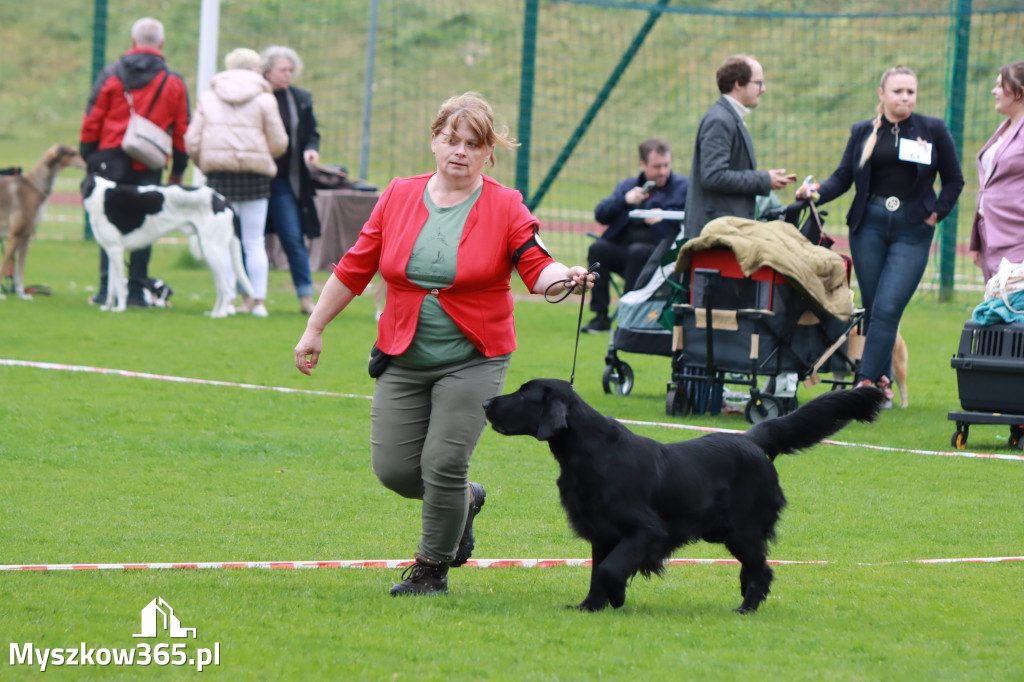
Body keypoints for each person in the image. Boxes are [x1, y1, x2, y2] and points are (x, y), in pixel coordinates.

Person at [293, 93, 593, 597]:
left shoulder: (506, 204)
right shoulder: (397, 195)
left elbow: (537, 265)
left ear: (488, 153)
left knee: (442, 464)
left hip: (474, 355)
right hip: (402, 352)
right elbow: (354, 267)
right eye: (450, 140)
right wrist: (314, 328)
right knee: (395, 471)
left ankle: (431, 570)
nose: (460, 152)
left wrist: (567, 277)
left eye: (473, 144)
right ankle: (465, 501)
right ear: (433, 141)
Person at [796, 65, 964, 405]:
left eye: (911, 92)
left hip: (913, 229)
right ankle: (883, 383)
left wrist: (936, 214)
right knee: (874, 308)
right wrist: (814, 192)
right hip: (868, 226)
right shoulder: (863, 131)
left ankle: (867, 382)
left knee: (888, 307)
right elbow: (843, 177)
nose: (905, 97)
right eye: (898, 91)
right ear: (882, 94)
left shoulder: (932, 129)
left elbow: (954, 179)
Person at [80, 17, 190, 307]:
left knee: (108, 225)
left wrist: (89, 154)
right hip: (149, 162)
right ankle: (137, 289)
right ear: (161, 43)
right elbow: (181, 130)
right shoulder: (174, 81)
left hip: (108, 162)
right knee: (146, 225)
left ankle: (107, 290)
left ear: (133, 41)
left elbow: (92, 119)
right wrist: (178, 169)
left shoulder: (111, 74)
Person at [185, 47, 289, 318]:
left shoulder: (208, 98)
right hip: (255, 176)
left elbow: (192, 140)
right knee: (254, 240)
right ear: (255, 68)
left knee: (223, 241)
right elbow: (279, 142)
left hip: (219, 177)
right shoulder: (265, 100)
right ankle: (258, 302)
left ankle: (228, 300)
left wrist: (205, 161)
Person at [683, 54, 797, 240]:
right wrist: (764, 180)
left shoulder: (727, 116)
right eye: (758, 83)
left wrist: (766, 179)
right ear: (738, 84)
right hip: (716, 233)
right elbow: (713, 176)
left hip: (724, 228)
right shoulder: (720, 120)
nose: (763, 89)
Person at [583, 138, 688, 333]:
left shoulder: (683, 187)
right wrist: (625, 200)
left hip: (658, 257)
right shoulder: (628, 186)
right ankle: (600, 317)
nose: (663, 172)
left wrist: (664, 217)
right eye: (657, 166)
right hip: (624, 252)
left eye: (666, 165)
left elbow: (691, 219)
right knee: (598, 248)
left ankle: (628, 315)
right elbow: (601, 214)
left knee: (638, 252)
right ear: (643, 164)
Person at [261, 46, 321, 315]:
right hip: (255, 180)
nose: (288, 75)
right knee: (248, 240)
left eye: (290, 70)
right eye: (283, 70)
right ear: (267, 71)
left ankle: (306, 297)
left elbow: (311, 133)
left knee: (293, 238)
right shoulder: (255, 98)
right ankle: (248, 298)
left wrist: (311, 148)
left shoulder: (300, 99)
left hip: (286, 181)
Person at [970, 61, 1024, 283]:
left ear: (1019, 92)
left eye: (1000, 86)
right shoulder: (1005, 127)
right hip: (991, 235)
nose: (994, 91)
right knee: (998, 308)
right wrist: (979, 240)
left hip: (1017, 237)